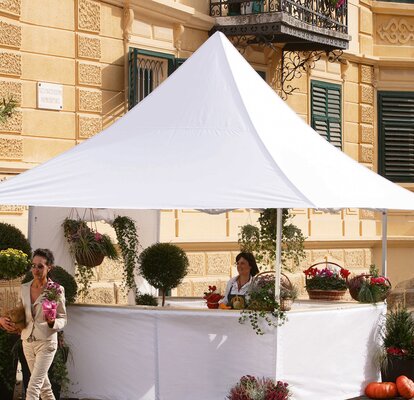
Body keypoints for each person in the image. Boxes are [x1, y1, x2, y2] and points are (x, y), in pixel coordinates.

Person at [19, 248, 66, 400]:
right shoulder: (24, 287)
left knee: (33, 388)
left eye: (40, 266)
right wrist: (14, 322)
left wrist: (53, 323)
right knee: (44, 389)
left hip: (46, 342)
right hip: (27, 341)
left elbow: (63, 318)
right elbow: (21, 312)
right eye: (33, 265)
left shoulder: (56, 289)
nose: (36, 269)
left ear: (49, 267)